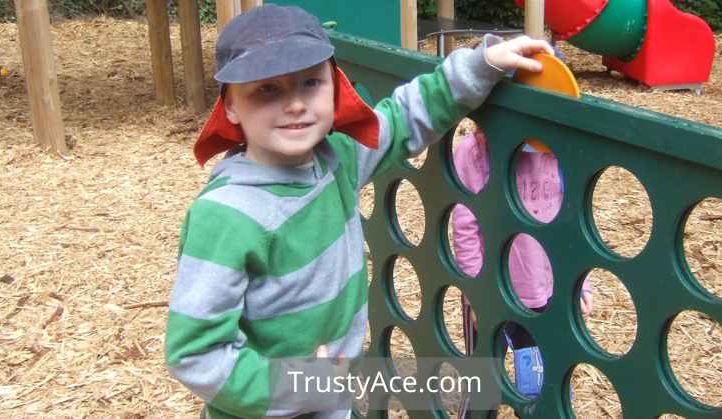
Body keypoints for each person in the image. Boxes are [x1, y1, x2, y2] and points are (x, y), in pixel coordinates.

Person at [164, 4, 555, 419]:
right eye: (267, 89)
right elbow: (196, 353)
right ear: (229, 107)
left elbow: (405, 118)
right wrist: (302, 387)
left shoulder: (336, 162)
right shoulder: (226, 216)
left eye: (310, 82)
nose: (295, 104)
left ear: (333, 86)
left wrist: (482, 64)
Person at [451, 128, 593, 398]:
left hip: (546, 293)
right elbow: (465, 227)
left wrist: (581, 281)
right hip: (493, 293)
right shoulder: (473, 152)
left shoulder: (556, 145)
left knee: (542, 384)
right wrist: (476, 294)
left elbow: (571, 222)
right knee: (482, 386)